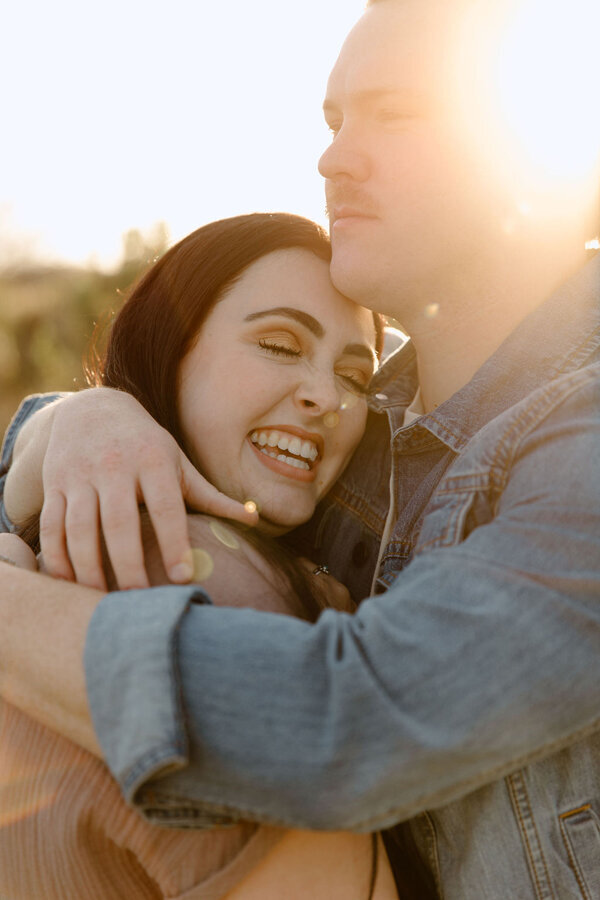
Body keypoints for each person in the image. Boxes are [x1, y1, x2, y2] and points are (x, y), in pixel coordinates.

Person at [1, 0, 599, 896]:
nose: (333, 158)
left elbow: (348, 727)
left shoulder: (578, 445)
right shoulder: (363, 427)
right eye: (334, 118)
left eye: (394, 113)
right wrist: (84, 420)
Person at [0, 212, 400, 899]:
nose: (326, 397)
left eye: (355, 376)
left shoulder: (34, 548)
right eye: (279, 343)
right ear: (172, 344)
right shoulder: (215, 579)